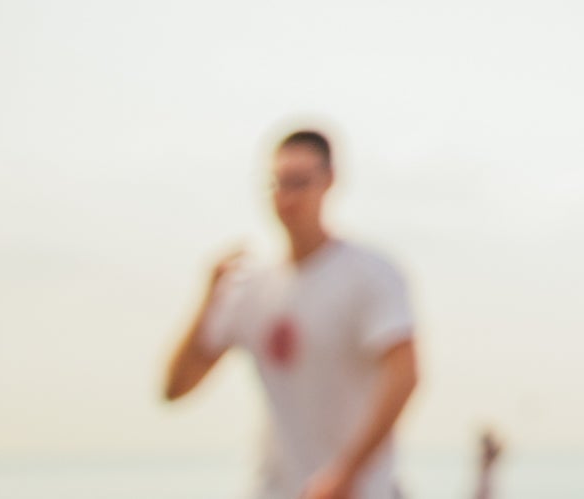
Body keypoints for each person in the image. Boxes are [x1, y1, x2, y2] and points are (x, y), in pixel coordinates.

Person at [161, 129, 420, 499]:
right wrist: (206, 297)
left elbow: (405, 375)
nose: (287, 198)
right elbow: (175, 388)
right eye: (278, 184)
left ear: (329, 181)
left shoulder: (371, 274)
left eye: (300, 183)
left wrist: (345, 474)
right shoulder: (248, 286)